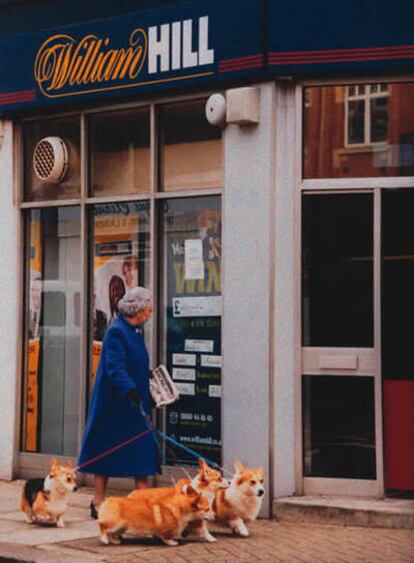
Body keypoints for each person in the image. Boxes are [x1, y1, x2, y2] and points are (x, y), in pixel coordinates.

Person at [77, 287, 157, 519]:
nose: (150, 314)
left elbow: (136, 364)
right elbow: (115, 367)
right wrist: (131, 391)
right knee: (106, 450)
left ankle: (143, 504)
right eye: (149, 309)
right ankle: (98, 501)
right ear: (138, 310)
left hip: (133, 401)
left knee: (141, 452)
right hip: (115, 403)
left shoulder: (136, 331)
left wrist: (152, 379)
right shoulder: (117, 331)